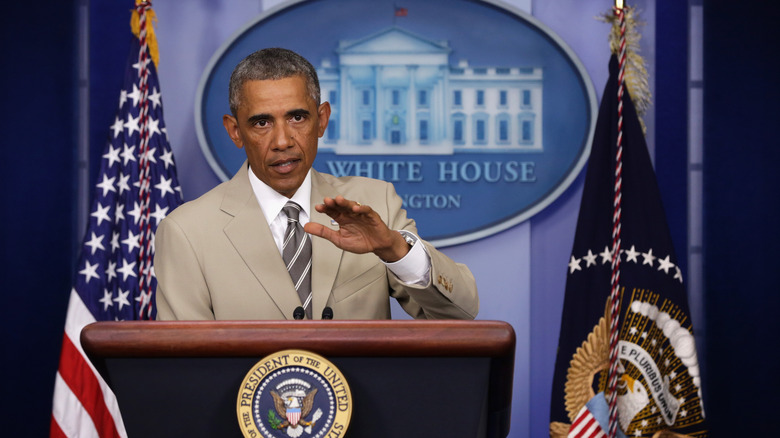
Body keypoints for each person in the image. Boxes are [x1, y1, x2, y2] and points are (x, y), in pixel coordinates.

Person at [154, 48, 478, 320]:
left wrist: (394, 249)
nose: (282, 141)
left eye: (297, 118)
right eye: (262, 122)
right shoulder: (187, 232)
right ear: (235, 131)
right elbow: (186, 371)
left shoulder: (374, 203)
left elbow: (460, 314)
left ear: (321, 120)